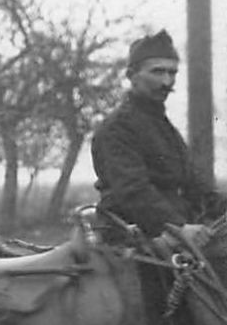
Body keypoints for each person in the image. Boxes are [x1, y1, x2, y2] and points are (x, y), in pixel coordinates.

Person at [91, 30, 226, 237]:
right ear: (131, 76)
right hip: (136, 240)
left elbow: (196, 189)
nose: (167, 82)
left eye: (172, 73)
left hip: (173, 234)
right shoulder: (117, 128)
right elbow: (133, 192)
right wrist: (177, 227)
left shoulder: (163, 126)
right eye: (157, 72)